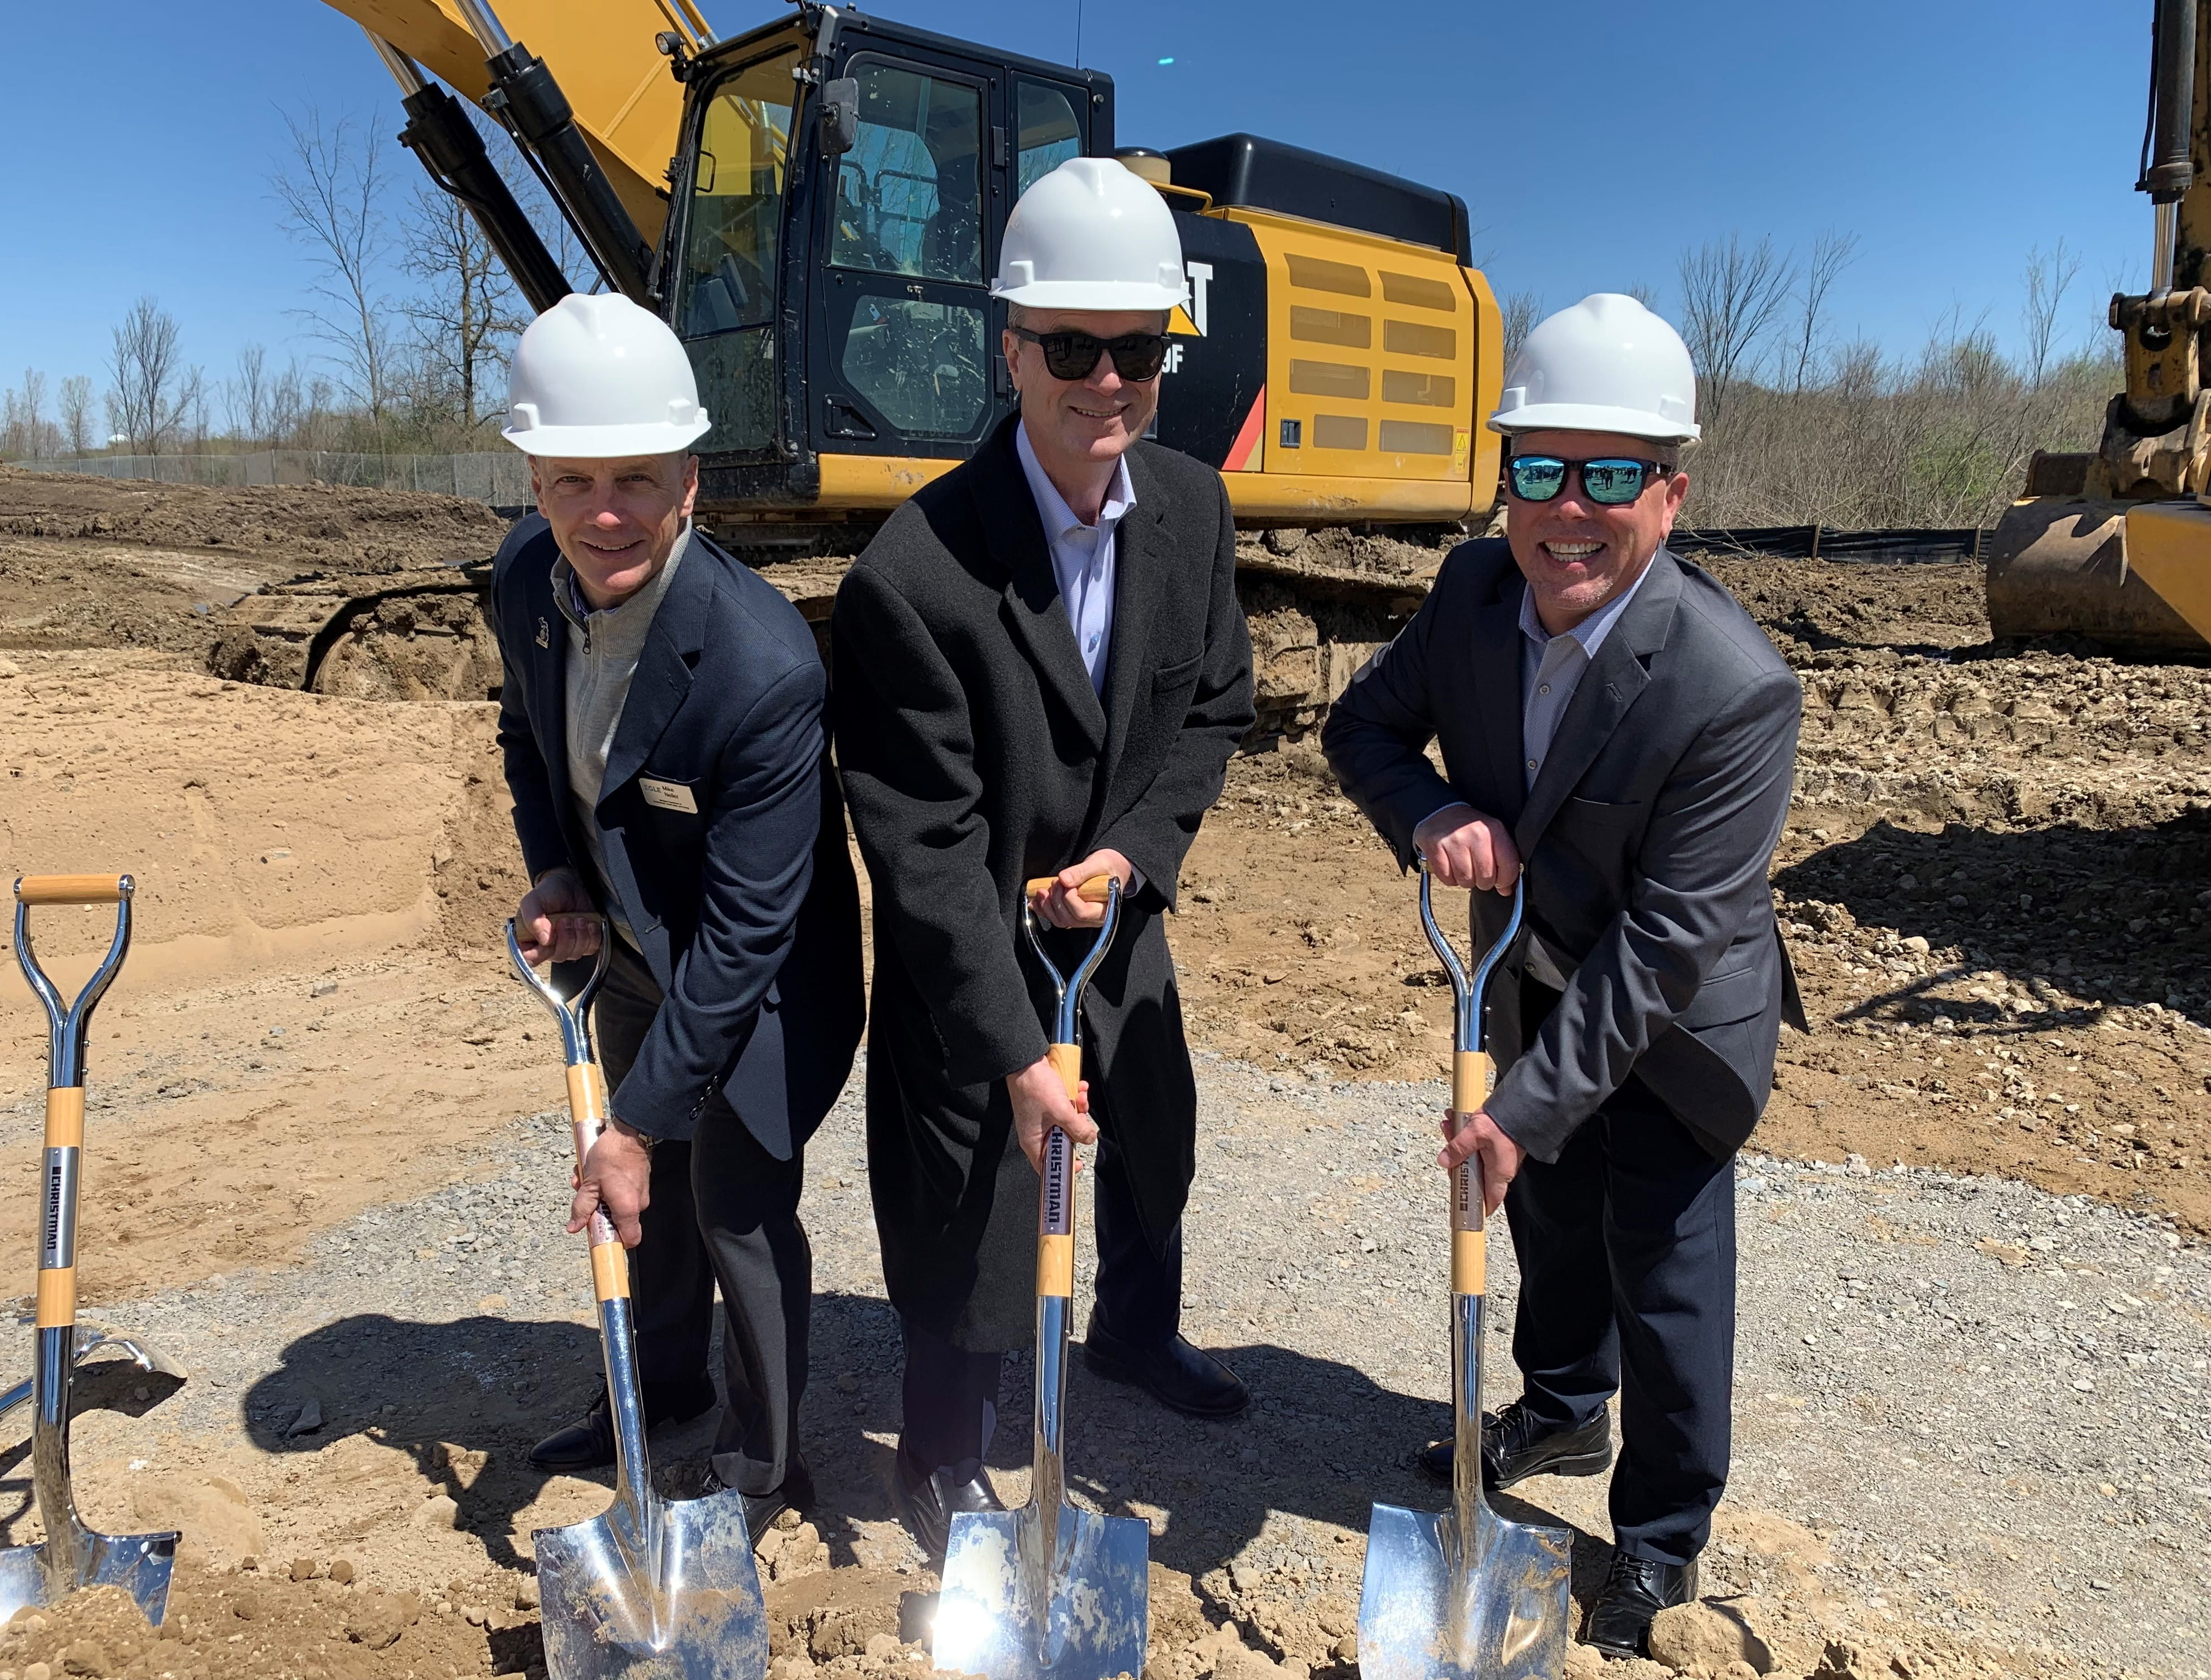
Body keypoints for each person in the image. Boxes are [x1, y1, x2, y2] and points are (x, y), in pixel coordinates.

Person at [1321, 293, 1806, 1658]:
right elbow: (1363, 728)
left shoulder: (1732, 688)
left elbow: (1667, 941)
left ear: (1672, 494)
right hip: (1529, 974)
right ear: (1507, 480)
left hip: (1676, 1013)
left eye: (1611, 476)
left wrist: (1515, 1113)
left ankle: (1659, 1538)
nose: (1568, 512)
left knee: (1662, 1265)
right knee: (1550, 1224)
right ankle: (1559, 1401)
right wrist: (1424, 814)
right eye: (1540, 470)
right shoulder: (1473, 597)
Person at [829, 157, 1257, 1559]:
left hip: (1117, 927)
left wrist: (1134, 854)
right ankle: (942, 1449)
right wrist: (1015, 1050)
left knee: (1152, 1144)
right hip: (979, 960)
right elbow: (927, 852)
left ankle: (1140, 1336)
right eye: (1070, 348)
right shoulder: (917, 575)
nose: (1105, 382)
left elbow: (1215, 710)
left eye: (1137, 349)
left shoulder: (1192, 512)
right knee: (973, 1201)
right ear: (1010, 348)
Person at [492, 293, 863, 1539]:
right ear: (535, 479)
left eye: (639, 478)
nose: (607, 512)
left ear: (691, 480)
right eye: (574, 479)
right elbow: (525, 733)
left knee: (733, 1207)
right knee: (646, 1218)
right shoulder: (524, 585)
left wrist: (641, 1124)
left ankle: (768, 1464)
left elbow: (753, 933)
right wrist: (558, 871)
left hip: (760, 983)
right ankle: (655, 1395)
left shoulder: (762, 666)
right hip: (642, 952)